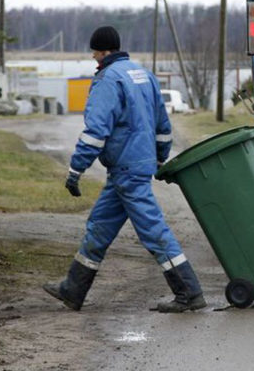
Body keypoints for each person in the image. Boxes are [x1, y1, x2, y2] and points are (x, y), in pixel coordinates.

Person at [43, 25, 206, 313]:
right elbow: (162, 126)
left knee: (153, 230)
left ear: (104, 51)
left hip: (126, 169)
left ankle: (189, 292)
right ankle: (73, 290)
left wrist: (76, 170)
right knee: (99, 227)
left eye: (94, 51)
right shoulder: (143, 74)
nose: (93, 57)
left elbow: (96, 132)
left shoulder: (108, 80)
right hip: (133, 167)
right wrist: (158, 157)